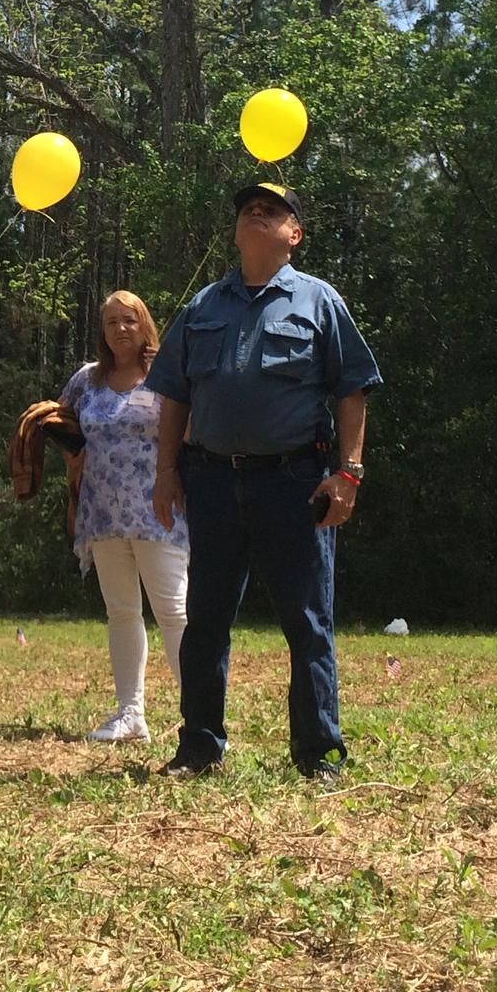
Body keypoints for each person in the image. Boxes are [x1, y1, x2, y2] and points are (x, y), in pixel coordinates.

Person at [149, 183, 377, 780]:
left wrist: (347, 474)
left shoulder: (319, 302)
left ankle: (318, 753)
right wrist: (167, 472)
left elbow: (352, 390)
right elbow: (174, 394)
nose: (256, 212)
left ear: (294, 234)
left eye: (272, 209)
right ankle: (198, 747)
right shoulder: (203, 307)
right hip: (213, 483)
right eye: (248, 207)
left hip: (294, 482)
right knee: (206, 621)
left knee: (307, 622)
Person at [62, 291, 188, 744]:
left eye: (129, 320)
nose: (120, 329)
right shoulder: (86, 381)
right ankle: (129, 713)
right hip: (102, 512)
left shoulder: (167, 375)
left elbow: (191, 432)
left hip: (158, 509)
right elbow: (66, 429)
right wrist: (69, 466)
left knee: (174, 612)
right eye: (111, 321)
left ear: (145, 325)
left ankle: (199, 713)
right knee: (121, 612)